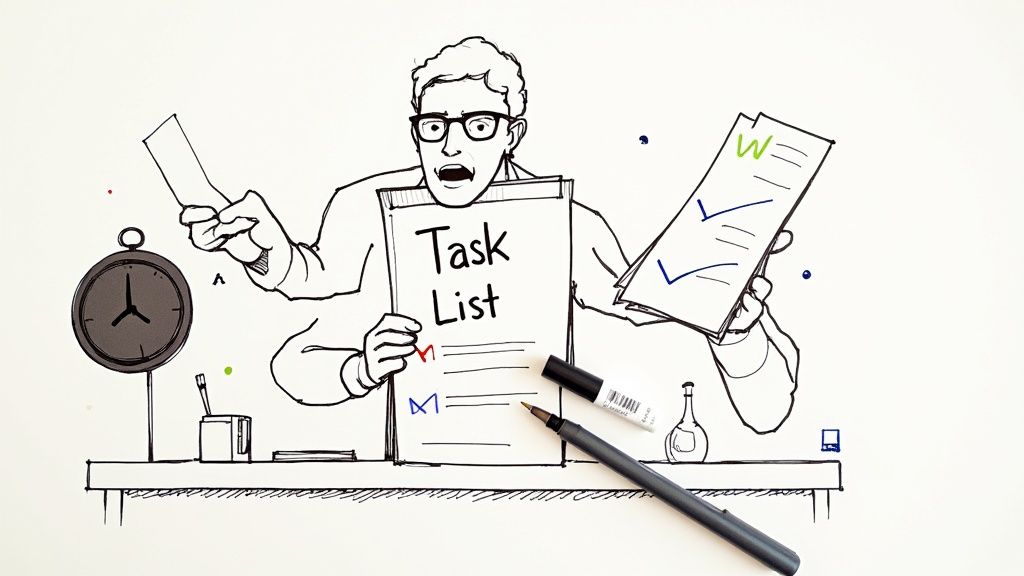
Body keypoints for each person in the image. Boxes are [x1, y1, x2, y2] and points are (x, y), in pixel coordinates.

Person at [181, 36, 800, 434]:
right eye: (434, 125)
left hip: (540, 472)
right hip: (416, 474)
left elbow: (640, 300)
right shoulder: (368, 206)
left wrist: (732, 315)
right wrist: (268, 255)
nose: (451, 143)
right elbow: (307, 289)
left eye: (478, 124)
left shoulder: (559, 218)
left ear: (513, 132)